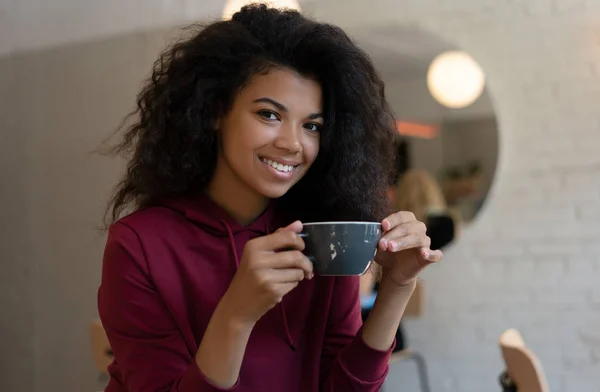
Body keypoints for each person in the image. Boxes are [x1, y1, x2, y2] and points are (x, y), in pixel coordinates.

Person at [98, 4, 443, 392]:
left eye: (311, 125)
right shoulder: (139, 244)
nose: (293, 143)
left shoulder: (323, 233)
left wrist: (397, 285)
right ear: (214, 109)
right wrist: (237, 314)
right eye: (269, 114)